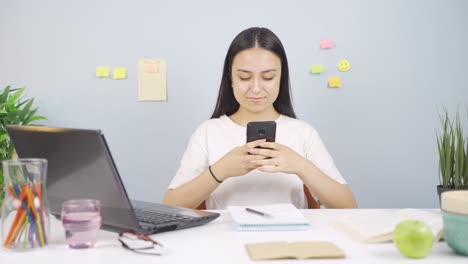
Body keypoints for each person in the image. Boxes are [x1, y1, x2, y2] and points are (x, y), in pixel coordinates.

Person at [163, 27, 357, 209]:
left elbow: (349, 207)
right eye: (245, 77)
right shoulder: (208, 132)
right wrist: (220, 171)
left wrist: (301, 166)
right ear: (230, 78)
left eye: (268, 77)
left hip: (290, 242)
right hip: (224, 242)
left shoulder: (303, 133)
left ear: (281, 78)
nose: (255, 88)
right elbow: (170, 206)